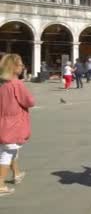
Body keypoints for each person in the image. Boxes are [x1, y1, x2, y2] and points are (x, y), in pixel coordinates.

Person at [0, 54, 35, 196]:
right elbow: (30, 101)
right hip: (13, 124)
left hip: (3, 121)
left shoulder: (3, 84)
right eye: (20, 65)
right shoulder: (17, 84)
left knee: (9, 150)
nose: (22, 67)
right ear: (14, 68)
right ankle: (0, 183)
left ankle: (16, 173)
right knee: (7, 153)